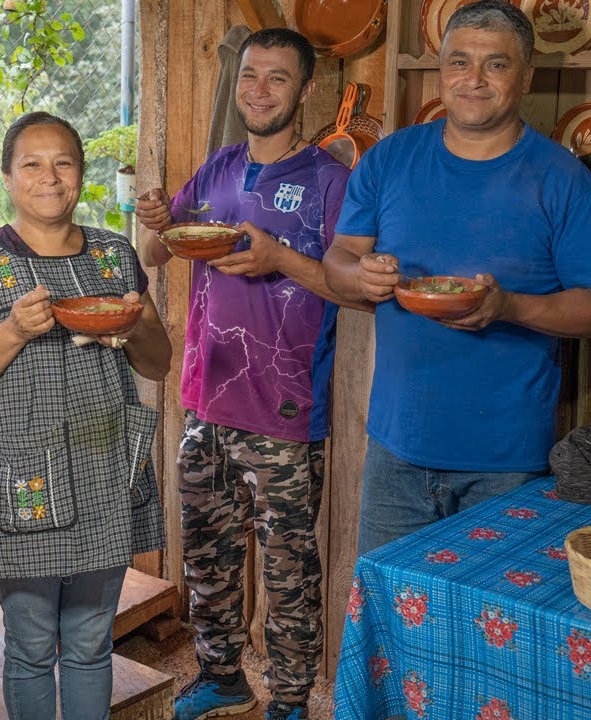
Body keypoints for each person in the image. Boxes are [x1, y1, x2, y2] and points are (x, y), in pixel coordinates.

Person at [137, 27, 363, 720]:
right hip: (205, 400)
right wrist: (153, 219)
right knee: (207, 557)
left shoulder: (330, 181)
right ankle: (222, 678)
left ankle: (290, 701)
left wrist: (280, 259)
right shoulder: (218, 168)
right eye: (249, 76)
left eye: (276, 77)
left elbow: (355, 289)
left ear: (305, 90)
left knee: (289, 573)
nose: (258, 90)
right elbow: (157, 251)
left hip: (285, 412)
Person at [323, 0, 591, 555]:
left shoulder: (564, 179)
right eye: (459, 61)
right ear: (442, 69)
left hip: (507, 462)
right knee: (387, 603)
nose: (473, 79)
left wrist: (508, 306)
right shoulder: (389, 159)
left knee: (487, 609)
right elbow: (340, 257)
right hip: (395, 451)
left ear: (526, 77)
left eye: (496, 64)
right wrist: (360, 277)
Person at [0, 111, 171, 720]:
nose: (50, 177)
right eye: (32, 164)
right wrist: (11, 331)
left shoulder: (114, 257)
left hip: (106, 468)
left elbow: (159, 362)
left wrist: (134, 323)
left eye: (63, 163)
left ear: (81, 174)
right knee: (32, 646)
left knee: (91, 643)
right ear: (8, 176)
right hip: (24, 481)